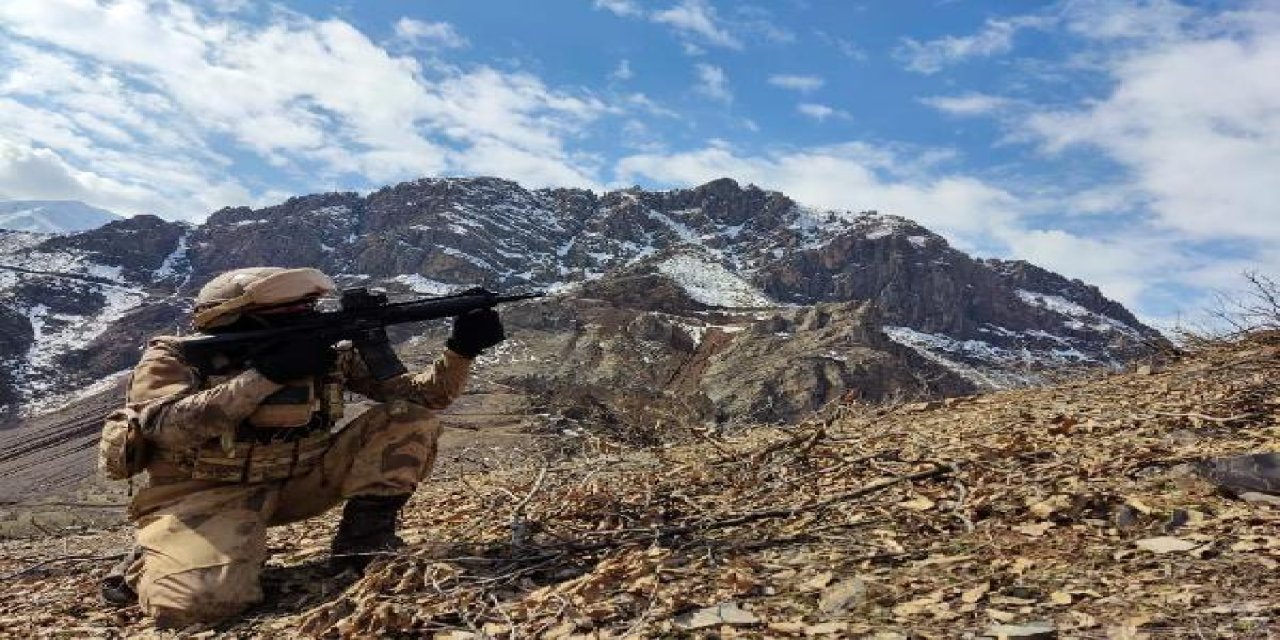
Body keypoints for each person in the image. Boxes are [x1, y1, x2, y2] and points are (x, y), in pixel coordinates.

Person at [99, 267, 505, 628]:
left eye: (308, 310)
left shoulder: (327, 355)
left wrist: (461, 349)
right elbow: (166, 429)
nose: (306, 320)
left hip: (301, 480)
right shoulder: (174, 357)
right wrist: (267, 375)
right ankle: (147, 559)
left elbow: (422, 398)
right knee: (200, 606)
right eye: (288, 316)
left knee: (407, 418)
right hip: (203, 494)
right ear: (234, 319)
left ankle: (362, 547)